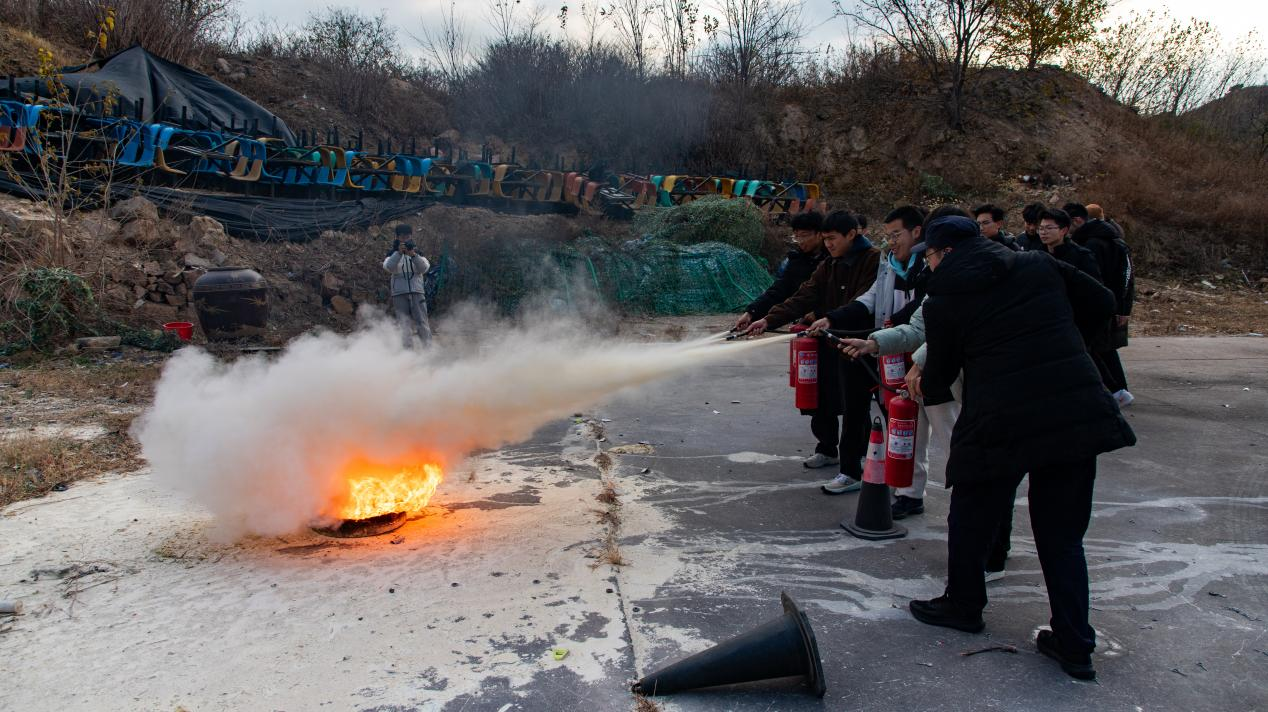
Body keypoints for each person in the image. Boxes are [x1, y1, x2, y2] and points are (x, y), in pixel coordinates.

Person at [906, 216, 1135, 682]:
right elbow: (1103, 301)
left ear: (945, 253)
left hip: (1000, 419)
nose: (926, 263)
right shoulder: (1035, 264)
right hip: (1072, 409)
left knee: (971, 513)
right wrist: (1064, 343)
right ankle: (1074, 644)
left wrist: (922, 385)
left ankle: (964, 604)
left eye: (928, 254)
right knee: (1062, 535)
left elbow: (941, 374)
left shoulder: (945, 299)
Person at [829, 205, 959, 518]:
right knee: (907, 428)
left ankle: (970, 498)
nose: (891, 242)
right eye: (888, 236)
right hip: (900, 359)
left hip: (940, 368)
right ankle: (908, 493)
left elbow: (945, 330)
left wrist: (920, 361)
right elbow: (916, 324)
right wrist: (872, 342)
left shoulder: (953, 276)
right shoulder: (894, 266)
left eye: (896, 234)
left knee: (951, 434)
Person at [746, 211, 880, 491]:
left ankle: (855, 468)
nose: (829, 244)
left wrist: (831, 318)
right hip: (830, 341)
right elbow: (803, 296)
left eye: (833, 238)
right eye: (826, 239)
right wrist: (767, 320)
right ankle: (832, 453)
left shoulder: (873, 260)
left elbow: (864, 301)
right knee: (825, 398)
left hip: (860, 345)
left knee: (855, 409)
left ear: (852, 234)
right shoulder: (829, 264)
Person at [735, 212, 835, 468]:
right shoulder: (797, 261)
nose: (800, 241)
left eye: (804, 236)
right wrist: (753, 312)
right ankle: (827, 448)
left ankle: (860, 454)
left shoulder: (835, 259)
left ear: (820, 234)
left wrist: (821, 313)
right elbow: (781, 291)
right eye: (796, 236)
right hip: (812, 337)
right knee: (816, 394)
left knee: (848, 397)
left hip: (841, 334)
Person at [1073, 209, 1135, 407]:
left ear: (1077, 220)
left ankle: (1117, 391)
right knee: (1104, 349)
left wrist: (1122, 308)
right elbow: (1126, 277)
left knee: (1099, 349)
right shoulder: (1114, 239)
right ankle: (1118, 390)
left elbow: (1123, 276)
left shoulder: (1092, 244)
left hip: (1100, 305)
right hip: (1110, 303)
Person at [383, 224, 432, 347]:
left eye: (407, 236)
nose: (405, 239)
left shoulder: (418, 252)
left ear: (411, 236)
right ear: (397, 237)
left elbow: (424, 268)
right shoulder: (392, 253)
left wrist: (413, 255)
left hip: (417, 291)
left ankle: (428, 350)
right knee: (403, 324)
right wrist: (398, 253)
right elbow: (388, 267)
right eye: (402, 237)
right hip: (399, 293)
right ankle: (407, 352)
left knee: (422, 321)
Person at [1038, 209, 1100, 280]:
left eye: (1049, 228)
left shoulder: (1083, 257)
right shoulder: (1037, 254)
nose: (1043, 232)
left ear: (1064, 230)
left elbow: (1094, 285)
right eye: (1041, 228)